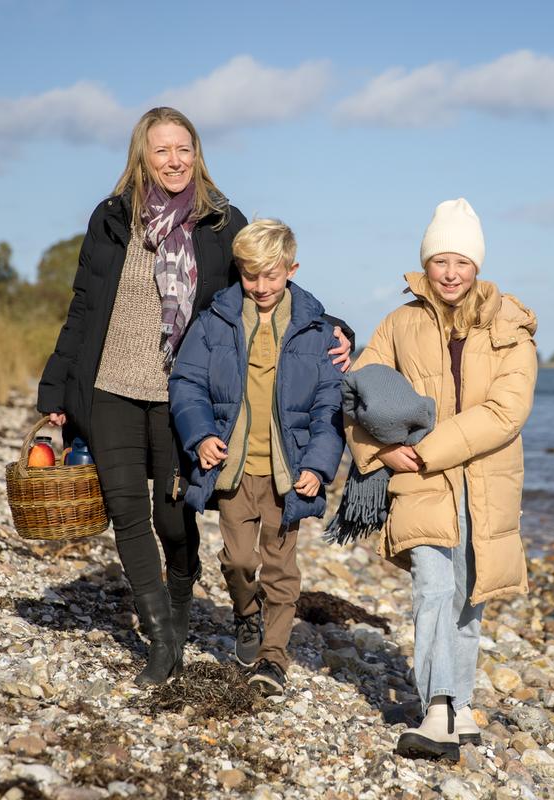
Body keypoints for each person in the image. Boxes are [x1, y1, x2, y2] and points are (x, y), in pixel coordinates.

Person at [36, 107, 352, 686]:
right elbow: (82, 305)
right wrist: (56, 385)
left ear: (197, 153)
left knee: (172, 515)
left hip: (182, 390)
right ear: (142, 155)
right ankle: (162, 638)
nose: (174, 160)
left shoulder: (219, 221)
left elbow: (264, 287)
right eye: (161, 150)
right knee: (126, 510)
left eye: (184, 149)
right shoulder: (110, 220)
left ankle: (181, 597)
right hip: (109, 384)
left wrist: (333, 327)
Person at [345, 198, 538, 761]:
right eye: (439, 261)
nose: (450, 273)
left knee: (468, 597)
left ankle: (464, 705)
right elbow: (356, 396)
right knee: (432, 588)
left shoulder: (513, 328)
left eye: (461, 261)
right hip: (419, 482)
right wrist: (380, 452)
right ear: (425, 264)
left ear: (477, 264)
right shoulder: (398, 324)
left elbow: (507, 413)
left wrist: (424, 450)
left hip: (485, 482)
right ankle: (437, 710)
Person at [168, 218, 345, 697]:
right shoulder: (215, 321)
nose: (261, 286)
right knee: (239, 561)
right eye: (251, 275)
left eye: (271, 274)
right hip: (232, 468)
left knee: (281, 568)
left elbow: (330, 404)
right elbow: (187, 384)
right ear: (240, 272)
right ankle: (246, 614)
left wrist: (317, 466)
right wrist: (201, 435)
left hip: (288, 474)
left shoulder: (316, 330)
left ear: (292, 269)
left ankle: (273, 658)